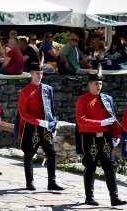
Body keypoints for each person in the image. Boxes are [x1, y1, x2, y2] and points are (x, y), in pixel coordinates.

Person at [75, 66, 126, 206]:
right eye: (96, 83)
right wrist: (101, 123)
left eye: (101, 83)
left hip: (105, 138)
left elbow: (113, 118)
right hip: (90, 137)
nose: (99, 86)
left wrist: (116, 135)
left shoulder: (107, 98)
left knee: (110, 166)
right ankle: (89, 197)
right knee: (90, 166)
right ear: (89, 84)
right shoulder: (82, 100)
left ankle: (114, 197)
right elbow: (81, 121)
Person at [17, 58, 64, 191]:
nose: (39, 75)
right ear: (31, 73)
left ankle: (52, 182)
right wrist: (38, 122)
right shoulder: (25, 91)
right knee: (29, 154)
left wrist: (53, 124)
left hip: (46, 128)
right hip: (32, 127)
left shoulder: (47, 89)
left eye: (41, 73)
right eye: (37, 73)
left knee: (51, 153)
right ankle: (29, 182)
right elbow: (23, 113)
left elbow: (51, 109)